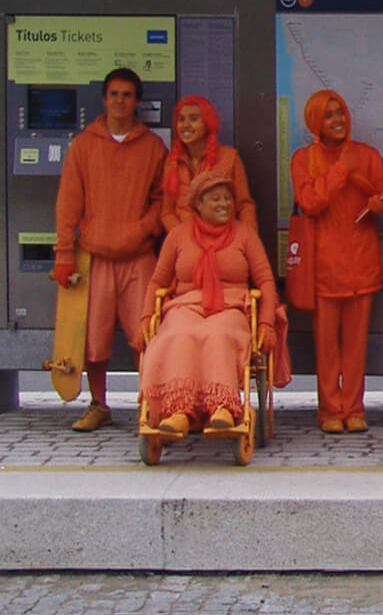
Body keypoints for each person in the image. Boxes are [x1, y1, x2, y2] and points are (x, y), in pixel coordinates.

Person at [52, 67, 166, 431]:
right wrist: (63, 253)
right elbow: (68, 203)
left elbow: (162, 199)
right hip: (95, 258)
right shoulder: (84, 145)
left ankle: (149, 404)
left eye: (127, 95)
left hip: (138, 258)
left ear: (137, 101)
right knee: (94, 339)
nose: (120, 101)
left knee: (145, 334)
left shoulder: (152, 146)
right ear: (104, 99)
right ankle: (99, 403)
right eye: (114, 94)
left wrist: (143, 229)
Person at [290, 89, 383, 433]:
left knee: (355, 346)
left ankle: (354, 408)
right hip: (323, 268)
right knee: (326, 346)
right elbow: (310, 201)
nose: (338, 120)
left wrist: (382, 206)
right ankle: (329, 410)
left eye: (340, 112)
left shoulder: (367, 155)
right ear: (315, 121)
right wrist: (341, 171)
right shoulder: (303, 159)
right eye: (329, 115)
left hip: (361, 264)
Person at [135, 171, 277, 438]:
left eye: (227, 198)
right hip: (186, 305)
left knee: (217, 334)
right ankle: (179, 410)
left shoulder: (245, 234)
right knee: (177, 334)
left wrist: (267, 322)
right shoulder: (178, 235)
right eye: (215, 199)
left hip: (231, 305)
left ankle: (221, 406)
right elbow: (157, 281)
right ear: (198, 205)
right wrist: (145, 317)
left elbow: (266, 281)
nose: (224, 204)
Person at [160, 94, 257, 234]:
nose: (186, 125)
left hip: (224, 242)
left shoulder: (230, 157)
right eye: (181, 119)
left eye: (193, 119)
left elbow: (245, 206)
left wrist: (246, 241)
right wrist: (184, 240)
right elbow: (167, 213)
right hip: (186, 246)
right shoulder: (172, 161)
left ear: (208, 123)